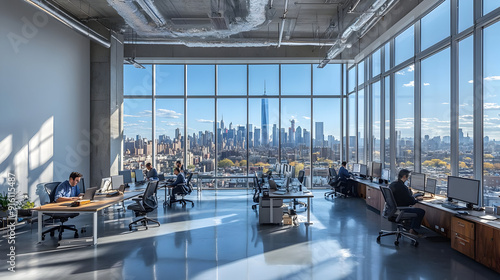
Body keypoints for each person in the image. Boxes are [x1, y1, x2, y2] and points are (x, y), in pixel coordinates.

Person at [389, 169, 426, 236]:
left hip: (393, 209)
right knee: (421, 211)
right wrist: (417, 200)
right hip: (401, 209)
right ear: (404, 176)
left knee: (413, 209)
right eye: (407, 177)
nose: (407, 178)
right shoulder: (403, 187)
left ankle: (408, 227)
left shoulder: (393, 184)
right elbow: (411, 201)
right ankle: (413, 230)